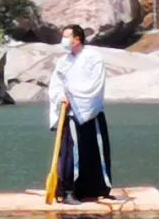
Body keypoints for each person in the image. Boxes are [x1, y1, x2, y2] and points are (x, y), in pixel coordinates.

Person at [48, 24, 113, 204]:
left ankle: (96, 188)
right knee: (69, 154)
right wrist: (61, 97)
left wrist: (72, 95)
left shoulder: (94, 58)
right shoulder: (63, 61)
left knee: (94, 150)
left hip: (89, 111)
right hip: (69, 114)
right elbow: (56, 84)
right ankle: (69, 191)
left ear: (77, 39)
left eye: (66, 36)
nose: (63, 40)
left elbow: (95, 85)